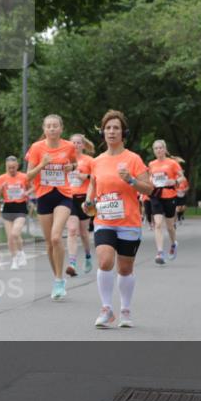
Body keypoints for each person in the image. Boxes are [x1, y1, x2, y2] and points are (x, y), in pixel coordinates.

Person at [83, 110, 153, 329]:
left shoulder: (133, 159)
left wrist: (131, 180)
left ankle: (125, 310)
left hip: (128, 221)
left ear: (123, 133)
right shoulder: (97, 161)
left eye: (116, 128)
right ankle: (106, 309)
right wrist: (88, 202)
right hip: (104, 220)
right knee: (104, 261)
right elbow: (93, 186)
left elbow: (149, 188)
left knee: (124, 268)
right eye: (108, 128)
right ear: (103, 132)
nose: (111, 132)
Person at [25, 114, 78, 300]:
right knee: (49, 243)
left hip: (63, 195)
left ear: (61, 128)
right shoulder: (36, 148)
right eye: (48, 126)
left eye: (55, 125)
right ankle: (58, 278)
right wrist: (42, 164)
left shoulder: (69, 146)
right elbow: (28, 176)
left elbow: (75, 163)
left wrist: (71, 168)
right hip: (44, 196)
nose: (52, 128)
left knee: (56, 237)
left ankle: (58, 279)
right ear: (44, 129)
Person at [147, 140, 185, 265]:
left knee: (169, 226)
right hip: (156, 195)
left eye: (160, 148)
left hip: (169, 195)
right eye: (156, 148)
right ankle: (160, 252)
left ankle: (173, 244)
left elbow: (182, 177)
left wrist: (175, 181)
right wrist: (150, 181)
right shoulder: (151, 164)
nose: (158, 150)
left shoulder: (172, 163)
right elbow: (149, 178)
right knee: (158, 224)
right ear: (154, 151)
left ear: (165, 149)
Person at [66, 133, 95, 276]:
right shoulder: (65, 160)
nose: (76, 145)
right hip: (68, 198)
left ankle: (88, 256)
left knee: (84, 233)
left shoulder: (89, 160)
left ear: (83, 145)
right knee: (72, 230)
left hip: (85, 199)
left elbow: (97, 178)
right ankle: (72, 263)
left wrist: (86, 176)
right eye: (73, 143)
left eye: (79, 143)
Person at [0, 156, 29, 269]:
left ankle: (21, 252)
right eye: (9, 168)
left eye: (13, 167)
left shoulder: (24, 176)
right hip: (8, 207)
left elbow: (34, 187)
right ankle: (14, 260)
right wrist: (1, 188)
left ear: (17, 166)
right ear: (6, 167)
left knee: (15, 233)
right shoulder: (2, 178)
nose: (11, 170)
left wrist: (27, 192)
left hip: (20, 207)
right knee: (10, 238)